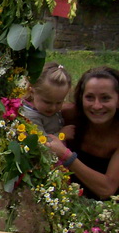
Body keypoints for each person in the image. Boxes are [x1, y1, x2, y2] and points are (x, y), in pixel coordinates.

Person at [47, 66, 119, 200]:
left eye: (105, 98)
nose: (97, 106)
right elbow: (32, 109)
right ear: (81, 99)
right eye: (90, 97)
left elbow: (107, 188)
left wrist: (66, 155)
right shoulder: (68, 115)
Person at [20, 61, 71, 134]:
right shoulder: (30, 117)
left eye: (59, 102)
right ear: (32, 92)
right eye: (47, 102)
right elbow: (40, 140)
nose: (53, 108)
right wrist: (62, 134)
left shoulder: (44, 109)